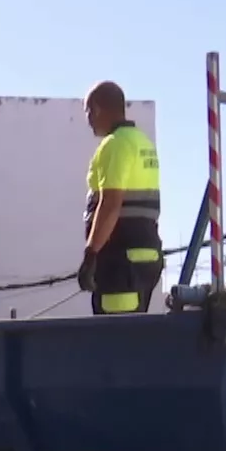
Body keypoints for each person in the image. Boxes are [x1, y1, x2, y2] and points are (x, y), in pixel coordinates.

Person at [77, 80, 165, 315]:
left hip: (120, 262)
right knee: (132, 336)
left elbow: (110, 203)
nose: (88, 120)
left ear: (96, 108)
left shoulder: (114, 145)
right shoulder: (142, 142)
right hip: (146, 258)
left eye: (88, 112)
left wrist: (91, 254)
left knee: (114, 341)